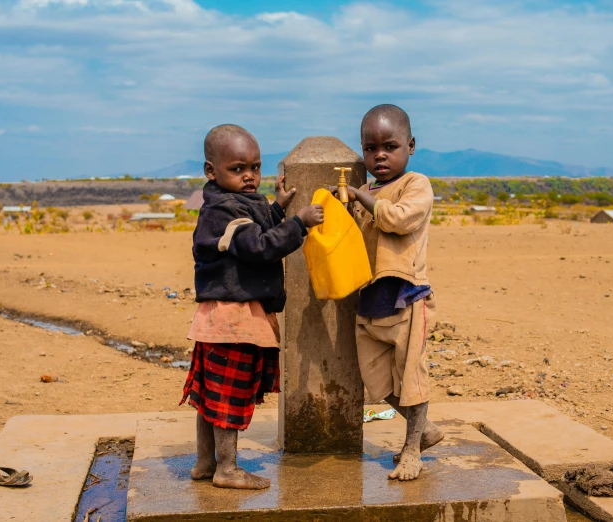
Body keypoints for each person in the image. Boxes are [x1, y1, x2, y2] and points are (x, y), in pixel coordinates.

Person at [180, 124, 323, 490]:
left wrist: (278, 208)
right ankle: (226, 469)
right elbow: (257, 246)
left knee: (210, 395)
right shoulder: (220, 211)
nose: (249, 177)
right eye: (238, 168)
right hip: (234, 320)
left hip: (222, 318)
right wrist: (299, 224)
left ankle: (203, 462)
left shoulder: (228, 204)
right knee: (228, 396)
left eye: (255, 168)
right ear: (211, 171)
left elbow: (252, 233)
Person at [336, 104, 443, 481]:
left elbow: (397, 219)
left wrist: (361, 199)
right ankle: (425, 430)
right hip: (370, 299)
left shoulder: (416, 185)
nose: (379, 155)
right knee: (377, 380)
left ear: (410, 146)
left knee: (411, 375)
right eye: (370, 148)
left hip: (406, 297)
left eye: (390, 146)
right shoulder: (365, 192)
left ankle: (412, 450)